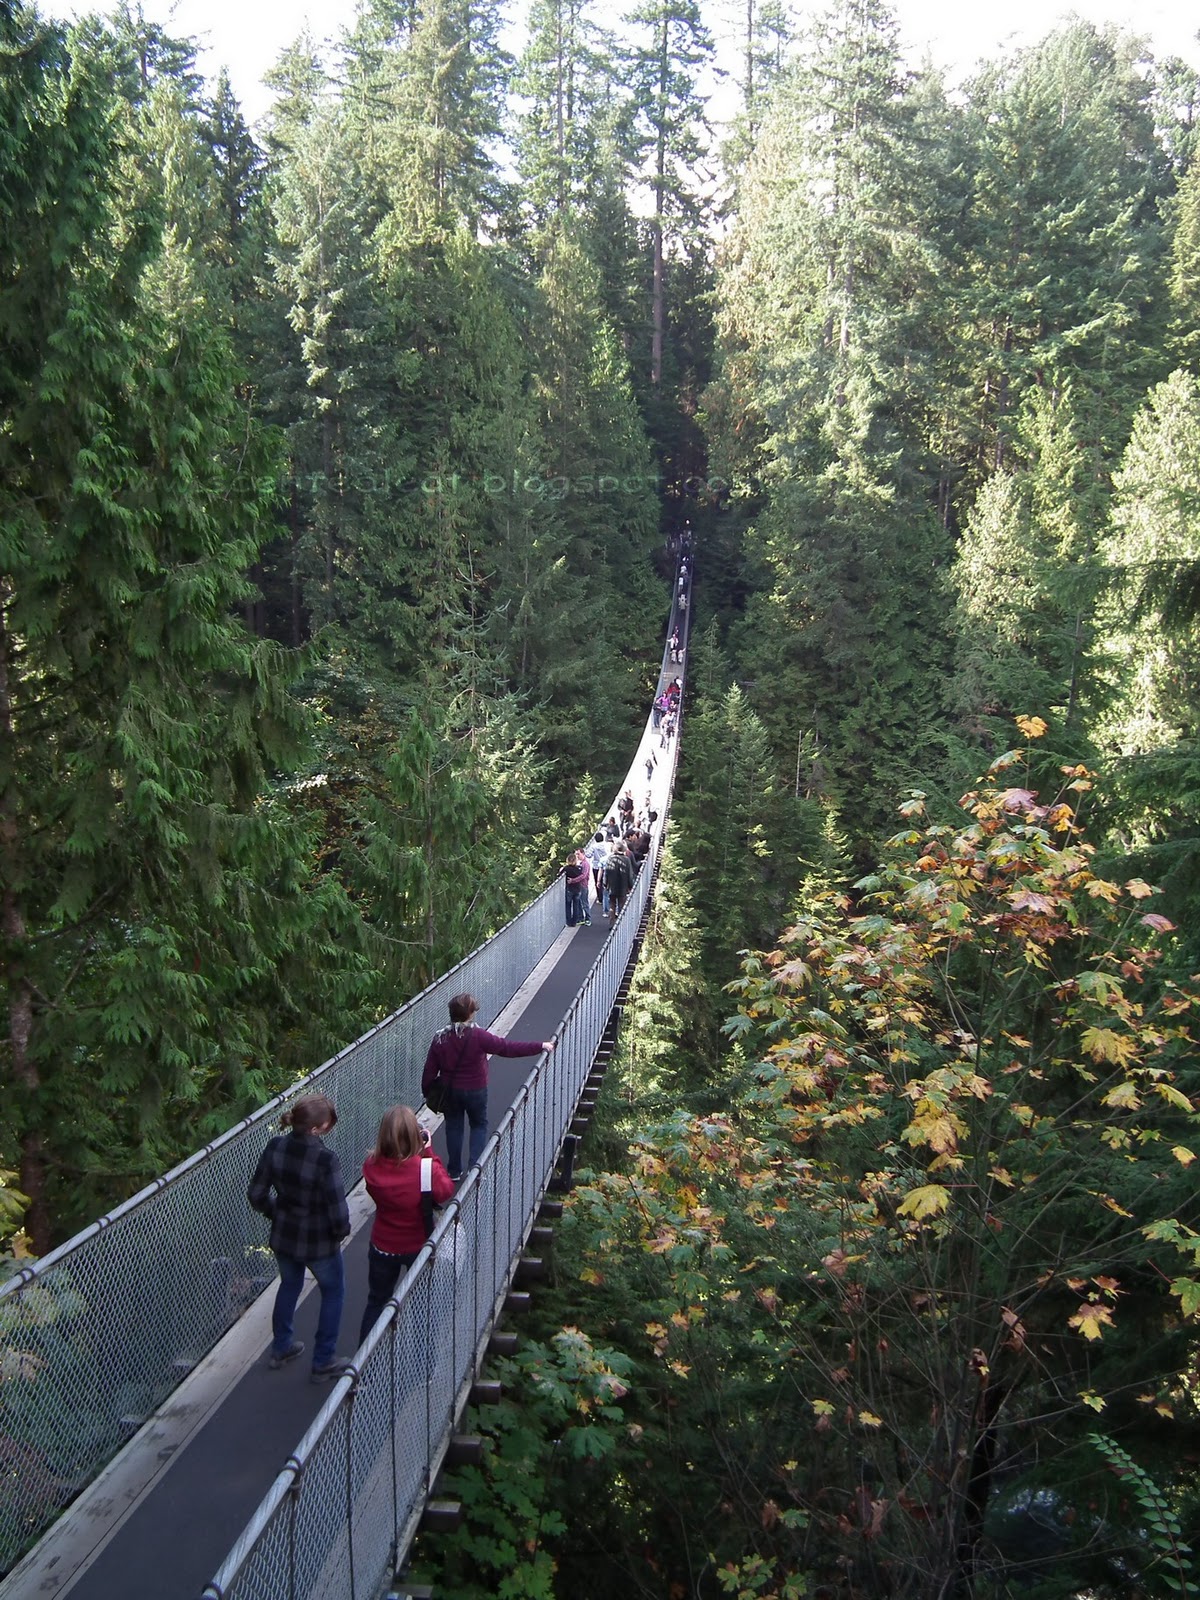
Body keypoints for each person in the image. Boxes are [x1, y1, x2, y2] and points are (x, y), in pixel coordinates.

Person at [249, 1094, 352, 1383]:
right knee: (333, 1292)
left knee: (290, 1285)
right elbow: (338, 1210)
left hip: (284, 1237)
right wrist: (339, 1232)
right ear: (317, 1129)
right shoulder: (325, 1159)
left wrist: (278, 1213)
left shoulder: (276, 1147)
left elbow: (256, 1194)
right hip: (319, 1242)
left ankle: (281, 1347)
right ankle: (323, 1361)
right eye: (328, 1124)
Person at [421, 993, 556, 1181]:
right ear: (469, 1014)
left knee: (454, 1127)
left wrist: (428, 1093)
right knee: (478, 1125)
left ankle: (453, 1171)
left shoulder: (440, 1039)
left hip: (451, 1092)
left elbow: (429, 1071)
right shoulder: (479, 1036)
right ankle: (475, 1170)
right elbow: (507, 1048)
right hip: (476, 1090)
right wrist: (540, 1045)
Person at [358, 1106, 455, 1344]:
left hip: (383, 1245)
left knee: (377, 1301)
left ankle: (364, 1366)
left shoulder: (371, 1166)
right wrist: (428, 1151)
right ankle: (421, 1367)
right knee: (423, 1305)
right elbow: (445, 1191)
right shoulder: (425, 1168)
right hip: (418, 1246)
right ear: (415, 1135)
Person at [604, 841, 634, 919]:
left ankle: (611, 922)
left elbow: (606, 872)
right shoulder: (626, 860)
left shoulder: (610, 859)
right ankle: (620, 923)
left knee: (612, 905)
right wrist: (631, 886)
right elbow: (630, 874)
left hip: (612, 886)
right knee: (621, 905)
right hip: (623, 887)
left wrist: (605, 884)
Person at [565, 848, 591, 928]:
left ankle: (588, 918)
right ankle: (580, 918)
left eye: (578, 854)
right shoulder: (580, 864)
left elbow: (583, 876)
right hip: (579, 886)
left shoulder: (585, 864)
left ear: (583, 853)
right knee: (578, 903)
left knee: (584, 902)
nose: (577, 856)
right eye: (576, 854)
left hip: (583, 885)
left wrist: (572, 880)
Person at [585, 830, 610, 909]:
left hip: (596, 866)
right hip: (606, 864)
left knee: (597, 881)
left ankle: (600, 898)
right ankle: (607, 896)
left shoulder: (594, 846)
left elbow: (588, 855)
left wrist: (584, 851)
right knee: (605, 881)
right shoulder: (607, 845)